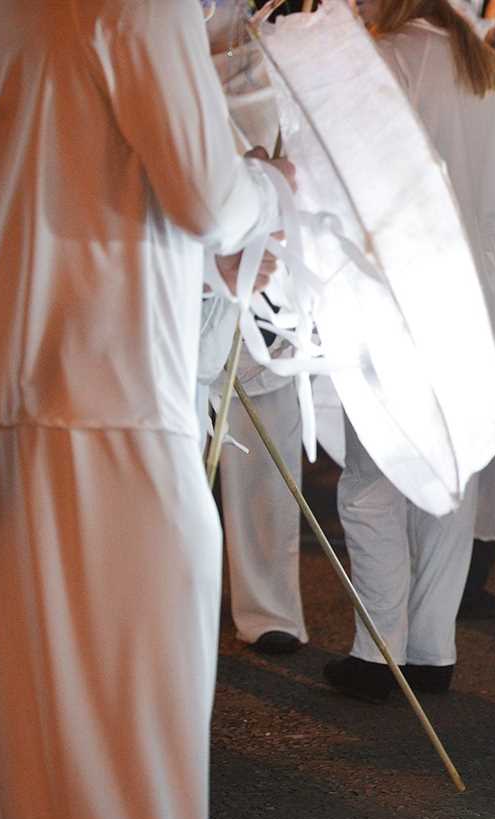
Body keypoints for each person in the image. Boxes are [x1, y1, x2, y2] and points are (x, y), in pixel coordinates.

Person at [0, 2, 289, 819]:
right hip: (114, 401)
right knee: (130, 745)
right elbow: (204, 191)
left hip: (21, 393)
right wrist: (266, 190)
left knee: (34, 748)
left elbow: (63, 166)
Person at [325, 0, 495, 702]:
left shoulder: (383, 60)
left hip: (402, 293)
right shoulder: (482, 63)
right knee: (451, 474)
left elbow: (356, 184)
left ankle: (376, 649)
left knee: (374, 478)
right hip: (478, 300)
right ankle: (431, 648)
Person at [203, 0, 310, 656]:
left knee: (267, 431)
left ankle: (269, 608)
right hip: (195, 266)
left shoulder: (277, 43)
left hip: (265, 272)